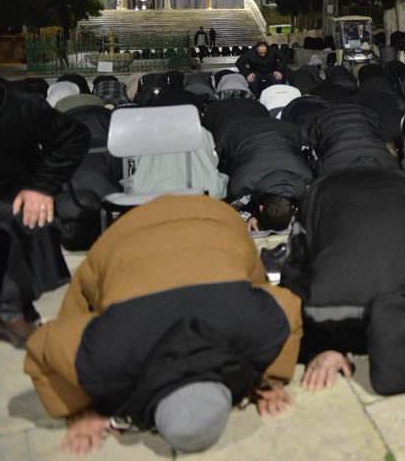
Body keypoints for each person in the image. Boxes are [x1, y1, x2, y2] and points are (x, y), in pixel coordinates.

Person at [24, 195, 301, 455]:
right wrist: (78, 407)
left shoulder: (254, 328)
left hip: (209, 218)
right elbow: (42, 346)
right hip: (133, 235)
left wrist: (269, 378)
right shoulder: (107, 360)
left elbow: (288, 306)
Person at [282, 169, 405, 394]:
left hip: (400, 184)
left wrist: (321, 349)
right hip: (329, 191)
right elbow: (292, 277)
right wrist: (321, 348)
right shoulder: (326, 303)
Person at [0, 78, 90, 346]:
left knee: (25, 219)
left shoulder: (18, 107)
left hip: (13, 195)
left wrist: (42, 187)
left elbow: (75, 136)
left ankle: (11, 311)